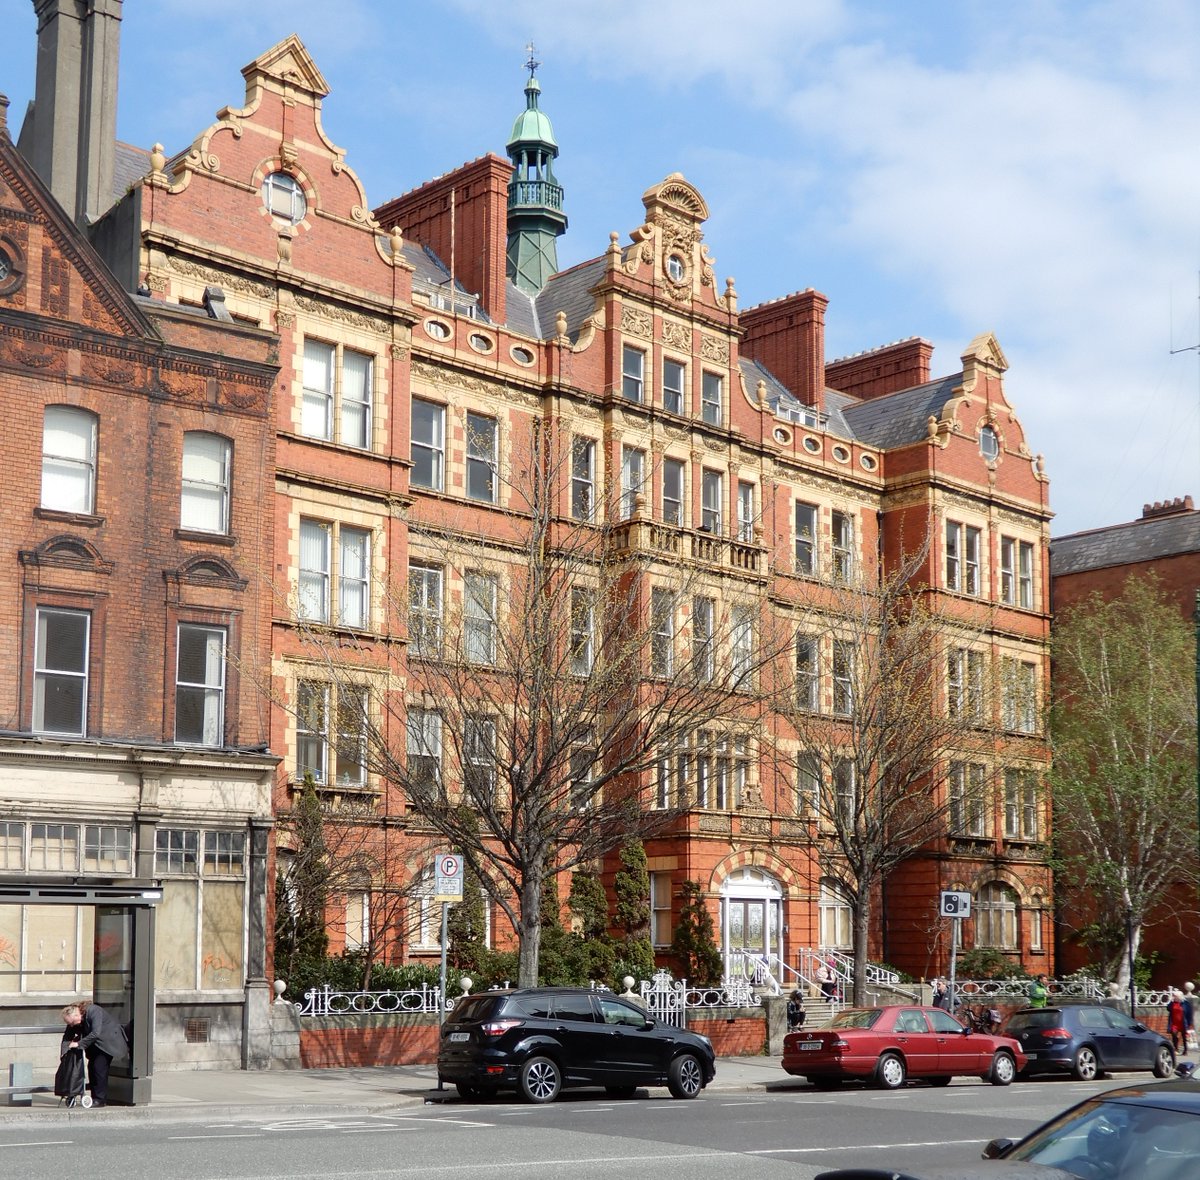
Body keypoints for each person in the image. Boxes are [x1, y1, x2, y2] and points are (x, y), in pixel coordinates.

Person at [61, 1000, 127, 1107]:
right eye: (70, 1024)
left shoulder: (94, 1011)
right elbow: (67, 1036)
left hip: (107, 1043)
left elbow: (96, 1033)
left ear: (77, 1015)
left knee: (99, 1068)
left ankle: (100, 1099)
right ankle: (95, 1097)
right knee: (92, 1068)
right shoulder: (75, 1019)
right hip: (95, 1045)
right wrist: (64, 1052)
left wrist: (78, 1044)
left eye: (72, 1023)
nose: (72, 1026)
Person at [1167, 989, 1187, 1056]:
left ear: (1179, 997)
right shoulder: (1172, 1003)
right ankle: (1176, 1049)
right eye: (1174, 996)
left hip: (1182, 1022)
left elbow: (1189, 1013)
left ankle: (1185, 1050)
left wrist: (1190, 1023)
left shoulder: (1184, 1003)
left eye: (1175, 996)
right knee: (1174, 1035)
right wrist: (1171, 1001)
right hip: (1174, 1023)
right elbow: (1168, 1008)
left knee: (1184, 1037)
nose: (1174, 997)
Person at [1183, 982, 1196, 1054]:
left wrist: (1190, 1022)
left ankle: (1186, 1048)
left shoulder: (1186, 1004)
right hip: (1183, 1022)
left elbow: (1189, 1013)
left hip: (1186, 1022)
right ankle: (1186, 1048)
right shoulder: (1183, 1003)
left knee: (1186, 1034)